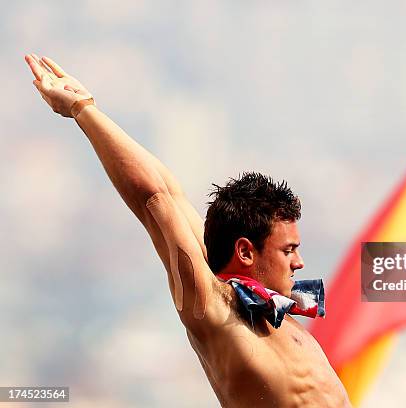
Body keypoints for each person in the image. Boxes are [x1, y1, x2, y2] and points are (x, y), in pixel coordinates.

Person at [25, 54, 351, 408]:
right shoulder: (212, 306)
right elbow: (154, 197)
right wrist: (82, 110)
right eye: (287, 250)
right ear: (245, 252)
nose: (300, 263)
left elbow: (171, 187)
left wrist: (90, 105)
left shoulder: (274, 313)